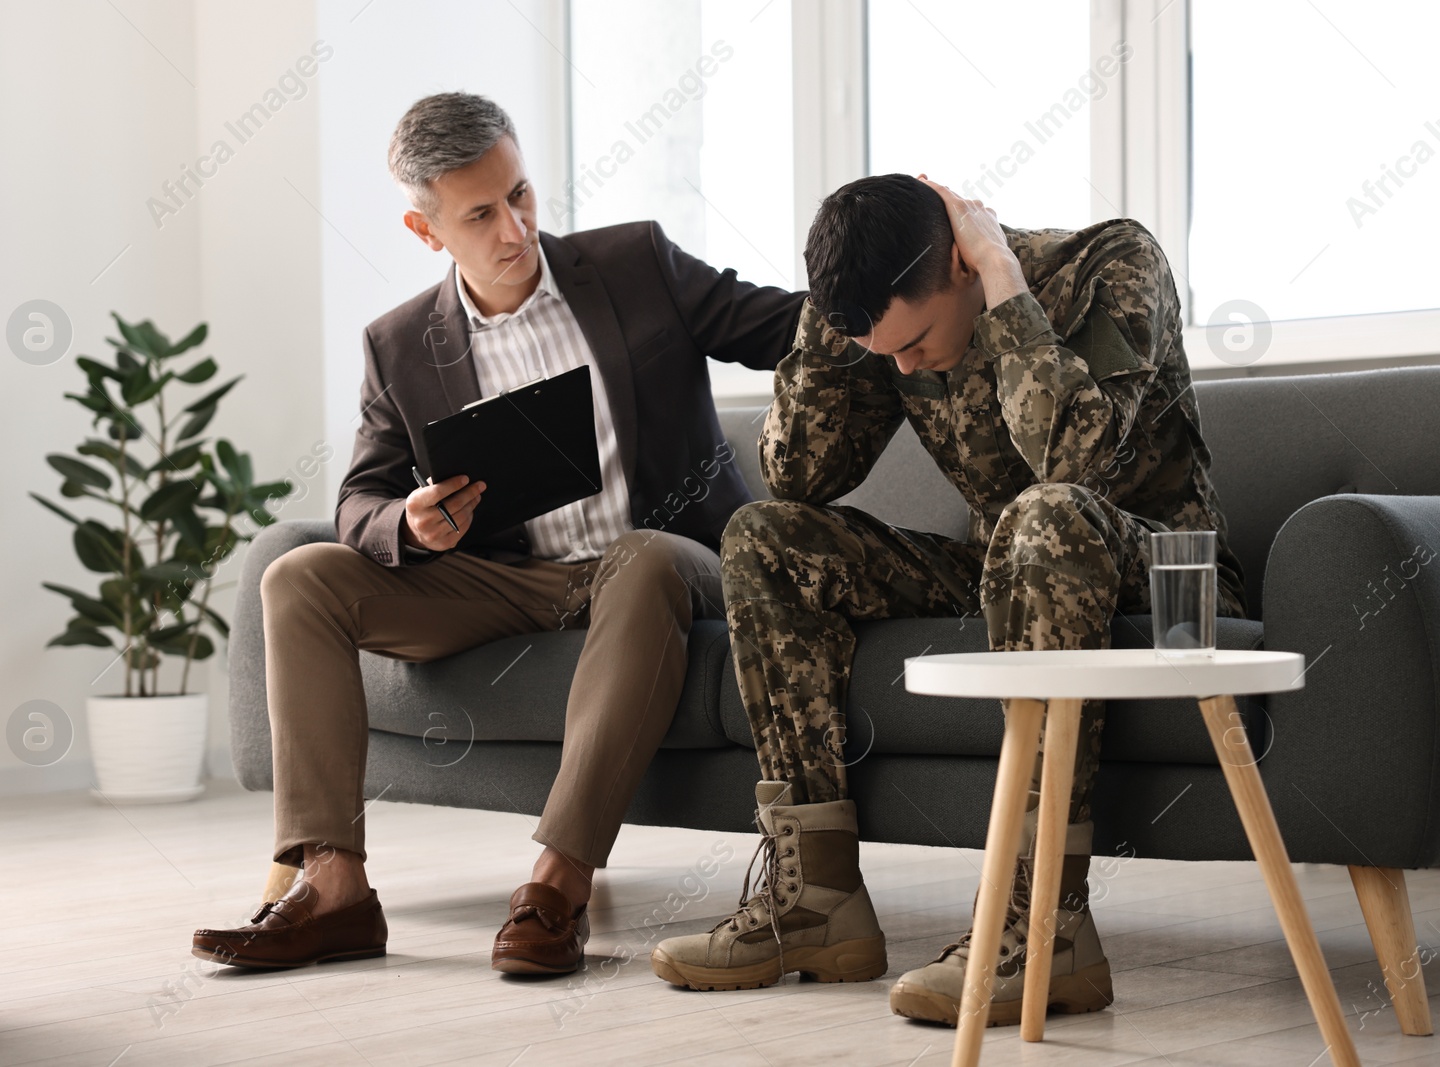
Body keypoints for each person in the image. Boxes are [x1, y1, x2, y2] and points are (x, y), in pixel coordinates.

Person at [190, 92, 804, 976]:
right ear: (425, 228)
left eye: (520, 195)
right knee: (298, 576)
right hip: (508, 580)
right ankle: (333, 890)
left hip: (660, 561)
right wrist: (408, 521)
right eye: (481, 214)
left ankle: (557, 887)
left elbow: (782, 325)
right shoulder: (399, 343)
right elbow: (359, 497)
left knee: (639, 558)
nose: (516, 228)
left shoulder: (634, 265)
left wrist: (921, 288)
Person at [651, 173, 1246, 1026]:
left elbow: (1073, 459)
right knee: (764, 537)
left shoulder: (1114, 263)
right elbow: (797, 475)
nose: (905, 366)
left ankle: (1044, 923)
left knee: (1043, 516)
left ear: (963, 268)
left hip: (1163, 580)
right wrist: (830, 329)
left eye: (918, 341)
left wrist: (1004, 284)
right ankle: (815, 902)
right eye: (885, 351)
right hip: (1003, 570)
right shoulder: (890, 333)